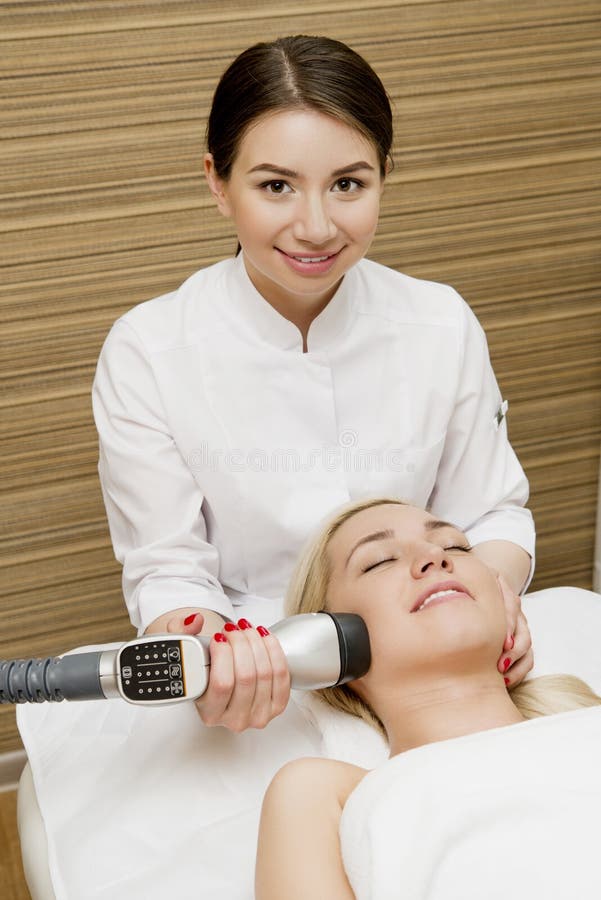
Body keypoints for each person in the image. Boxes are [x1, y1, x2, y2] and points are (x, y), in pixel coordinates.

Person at [92, 35, 536, 735]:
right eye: (275, 186)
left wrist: (495, 595)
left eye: (348, 184)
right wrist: (212, 655)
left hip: (430, 648)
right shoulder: (148, 350)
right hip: (266, 666)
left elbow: (492, 515)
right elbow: (169, 569)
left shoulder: (437, 321)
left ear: (383, 176)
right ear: (216, 180)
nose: (317, 227)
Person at [255, 498, 601, 900]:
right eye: (379, 560)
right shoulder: (325, 793)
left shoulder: (584, 720)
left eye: (456, 545)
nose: (434, 556)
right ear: (329, 644)